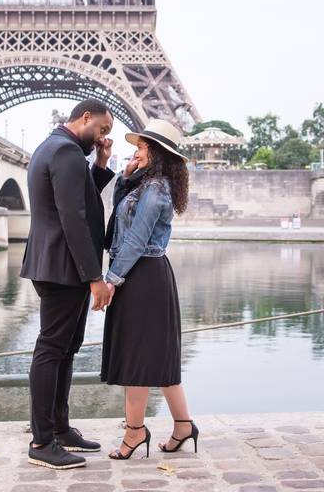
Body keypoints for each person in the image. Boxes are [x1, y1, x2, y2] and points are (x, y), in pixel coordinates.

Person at [20, 99, 117, 470]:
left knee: (66, 348)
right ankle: (42, 441)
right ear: (86, 118)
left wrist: (102, 164)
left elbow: (78, 197)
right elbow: (74, 217)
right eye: (103, 130)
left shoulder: (57, 147)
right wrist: (95, 277)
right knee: (51, 348)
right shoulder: (65, 151)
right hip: (64, 267)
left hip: (59, 265)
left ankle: (59, 428)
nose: (103, 138)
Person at [100, 119, 198, 460]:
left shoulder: (156, 189)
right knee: (156, 357)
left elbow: (137, 239)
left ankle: (134, 432)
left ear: (154, 152)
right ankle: (183, 425)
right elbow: (117, 222)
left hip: (142, 276)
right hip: (141, 274)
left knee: (137, 360)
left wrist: (111, 279)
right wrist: (125, 178)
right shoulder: (146, 184)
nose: (135, 151)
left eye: (140, 147)